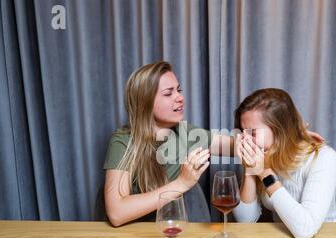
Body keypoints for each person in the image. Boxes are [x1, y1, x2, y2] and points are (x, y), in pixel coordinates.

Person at [103, 61, 324, 227]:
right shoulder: (123, 141)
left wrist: (288, 133)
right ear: (144, 103)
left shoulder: (188, 134)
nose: (179, 98)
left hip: (177, 233)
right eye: (169, 93)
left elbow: (247, 143)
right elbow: (116, 213)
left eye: (178, 90)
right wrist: (181, 183)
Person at [233, 88, 336, 238]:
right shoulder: (265, 156)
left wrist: (264, 173)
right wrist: (250, 169)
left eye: (252, 133)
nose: (245, 140)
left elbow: (305, 230)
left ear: (280, 130)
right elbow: (245, 221)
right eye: (243, 132)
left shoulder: (324, 158)